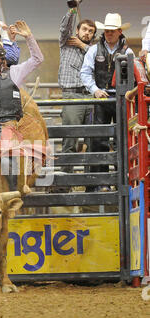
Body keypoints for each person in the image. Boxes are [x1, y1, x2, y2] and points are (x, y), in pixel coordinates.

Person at [0, 20, 43, 190]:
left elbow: (37, 59)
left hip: (10, 126)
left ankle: (12, 191)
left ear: (3, 60)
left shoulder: (15, 73)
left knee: (6, 159)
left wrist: (29, 37)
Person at [80, 13, 134, 192]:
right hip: (101, 99)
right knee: (98, 140)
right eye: (107, 31)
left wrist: (125, 92)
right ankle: (101, 182)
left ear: (119, 31)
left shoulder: (128, 51)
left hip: (120, 99)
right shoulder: (95, 49)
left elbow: (132, 78)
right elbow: (85, 73)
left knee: (122, 140)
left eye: (112, 31)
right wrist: (94, 89)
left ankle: (120, 182)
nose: (109, 34)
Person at [58, 1, 96, 179]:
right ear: (78, 30)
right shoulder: (66, 42)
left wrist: (83, 47)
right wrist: (73, 9)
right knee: (70, 139)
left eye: (90, 31)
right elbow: (65, 28)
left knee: (93, 140)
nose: (87, 33)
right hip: (72, 95)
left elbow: (98, 60)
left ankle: (91, 181)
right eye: (84, 30)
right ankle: (65, 181)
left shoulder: (94, 50)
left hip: (90, 97)